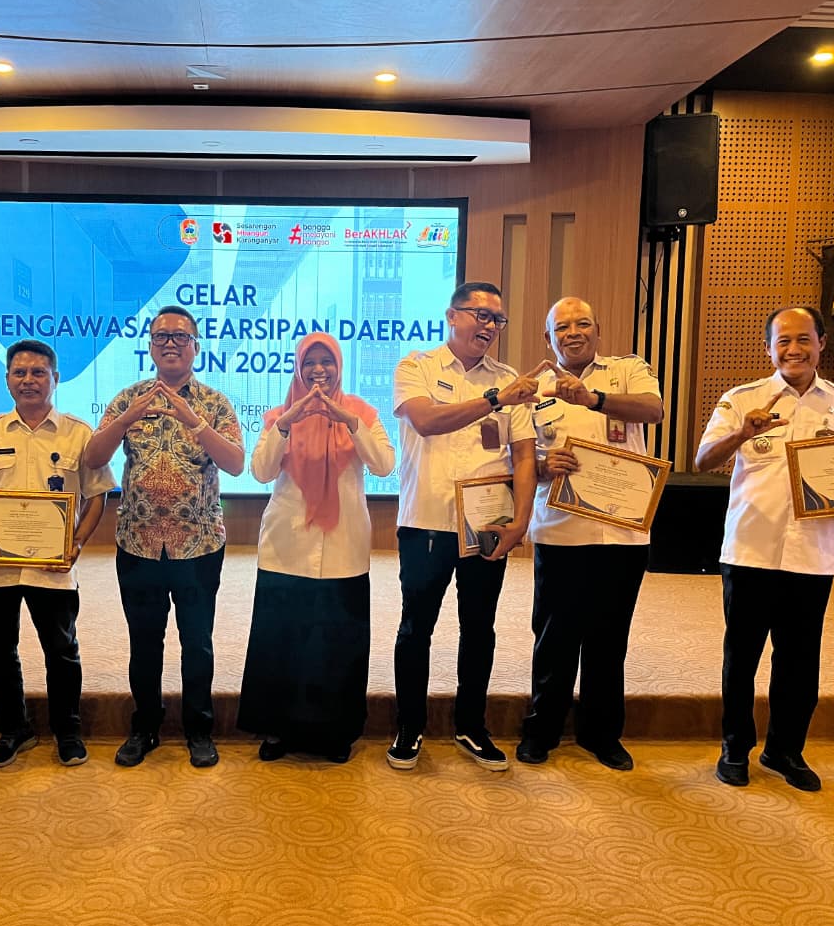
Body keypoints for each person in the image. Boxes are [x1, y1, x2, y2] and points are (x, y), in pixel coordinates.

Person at [696, 305, 834, 792]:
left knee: (800, 659)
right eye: (784, 341)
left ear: (821, 343)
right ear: (768, 348)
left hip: (812, 553)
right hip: (750, 549)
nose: (794, 349)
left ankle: (785, 750)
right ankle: (735, 746)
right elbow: (703, 460)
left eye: (804, 339)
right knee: (742, 656)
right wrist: (742, 433)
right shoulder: (741, 399)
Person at [388, 281, 540, 771]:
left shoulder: (510, 378)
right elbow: (427, 421)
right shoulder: (417, 367)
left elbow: (524, 456)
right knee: (417, 626)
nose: (490, 326)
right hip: (426, 523)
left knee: (479, 627)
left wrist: (521, 521)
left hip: (487, 525)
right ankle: (409, 726)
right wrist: (496, 399)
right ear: (452, 316)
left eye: (497, 319)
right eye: (480, 314)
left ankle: (471, 726)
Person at [84, 304, 244, 768]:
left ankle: (199, 729)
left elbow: (235, 463)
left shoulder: (214, 403)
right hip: (138, 544)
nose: (170, 343)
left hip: (198, 544)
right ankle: (145, 728)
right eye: (161, 336)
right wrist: (125, 420)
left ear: (196, 346)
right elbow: (93, 458)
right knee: (144, 642)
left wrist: (195, 421)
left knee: (197, 643)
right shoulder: (128, 398)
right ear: (150, 347)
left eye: (180, 336)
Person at [0, 339, 115, 768]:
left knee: (61, 650)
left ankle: (68, 731)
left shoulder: (79, 434)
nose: (29, 380)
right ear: (6, 380)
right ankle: (13, 729)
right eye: (19, 373)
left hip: (51, 567)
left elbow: (97, 494)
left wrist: (77, 542)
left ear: (55, 379)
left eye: (38, 372)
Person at [516, 297, 663, 771]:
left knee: (609, 638)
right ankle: (541, 730)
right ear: (548, 338)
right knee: (554, 637)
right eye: (562, 327)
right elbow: (520, 458)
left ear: (598, 330)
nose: (573, 332)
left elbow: (653, 410)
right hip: (561, 532)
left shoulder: (627, 370)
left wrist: (591, 398)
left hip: (622, 534)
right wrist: (543, 466)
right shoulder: (532, 389)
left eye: (582, 324)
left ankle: (602, 734)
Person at [238, 332, 395, 763]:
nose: (318, 370)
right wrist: (287, 423)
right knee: (283, 642)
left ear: (339, 367)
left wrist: (349, 421)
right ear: (298, 368)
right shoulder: (279, 416)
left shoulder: (361, 413)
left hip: (343, 550)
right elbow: (261, 472)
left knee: (336, 646)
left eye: (327, 362)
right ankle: (280, 730)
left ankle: (334, 733)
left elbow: (384, 465)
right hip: (286, 548)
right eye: (310, 363)